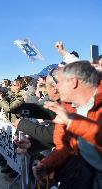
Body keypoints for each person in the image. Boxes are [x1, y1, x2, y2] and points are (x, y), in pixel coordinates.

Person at [33, 61, 102, 189]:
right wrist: (47, 165)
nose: (56, 88)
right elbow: (63, 147)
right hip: (83, 177)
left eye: (59, 82)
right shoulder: (66, 108)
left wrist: (72, 122)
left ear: (73, 82)